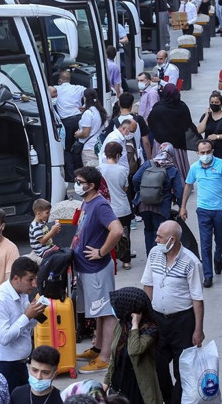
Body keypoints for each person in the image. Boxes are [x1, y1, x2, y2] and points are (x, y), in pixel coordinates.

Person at [141, 220, 205, 404]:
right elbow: (148, 286)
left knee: (182, 370)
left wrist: (198, 329)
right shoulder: (154, 254)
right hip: (158, 320)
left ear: (173, 240)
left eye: (160, 237)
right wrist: (146, 318)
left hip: (183, 322)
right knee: (159, 366)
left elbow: (197, 299)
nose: (156, 240)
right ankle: (168, 399)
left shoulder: (191, 262)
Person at [71, 166, 124, 374]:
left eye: (80, 181)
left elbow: (117, 230)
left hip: (96, 269)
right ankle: (98, 347)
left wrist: (102, 251)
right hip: (87, 268)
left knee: (106, 311)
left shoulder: (100, 204)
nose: (76, 184)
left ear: (91, 185)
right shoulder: (87, 202)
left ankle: (105, 358)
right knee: (98, 311)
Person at [0, 257, 45, 394]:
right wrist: (27, 316)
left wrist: (36, 313)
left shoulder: (22, 293)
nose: (34, 284)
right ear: (16, 278)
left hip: (20, 365)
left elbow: (27, 326)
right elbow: (4, 337)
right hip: (2, 368)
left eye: (35, 278)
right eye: (30, 279)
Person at [179, 140, 222, 288]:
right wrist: (183, 206)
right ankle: (208, 275)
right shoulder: (194, 168)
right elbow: (188, 185)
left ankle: (218, 257)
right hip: (203, 210)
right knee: (205, 243)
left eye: (207, 152)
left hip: (220, 210)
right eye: (202, 153)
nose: (205, 155)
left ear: (212, 151)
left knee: (221, 239)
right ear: (198, 153)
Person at [103, 287, 162, 404]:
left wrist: (135, 324)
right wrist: (105, 384)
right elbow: (114, 358)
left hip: (137, 386)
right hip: (118, 383)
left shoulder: (150, 329)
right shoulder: (121, 325)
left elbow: (134, 350)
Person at [132, 143, 185, 256]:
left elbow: (135, 179)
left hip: (144, 205)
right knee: (160, 233)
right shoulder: (172, 169)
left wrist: (141, 191)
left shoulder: (149, 163)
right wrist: (181, 206)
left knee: (148, 230)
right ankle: (157, 258)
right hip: (161, 207)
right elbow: (179, 191)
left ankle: (150, 258)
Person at [147, 83, 194, 181]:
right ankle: (181, 183)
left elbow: (151, 123)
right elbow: (188, 124)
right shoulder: (182, 107)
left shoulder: (158, 108)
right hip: (178, 144)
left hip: (161, 144)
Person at [99, 142, 133, 270]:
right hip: (122, 208)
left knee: (106, 235)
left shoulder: (99, 169)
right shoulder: (122, 170)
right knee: (125, 234)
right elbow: (125, 188)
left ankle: (109, 258)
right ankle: (126, 260)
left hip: (106, 209)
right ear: (118, 155)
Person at [49, 70, 87, 181]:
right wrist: (84, 105)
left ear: (60, 80)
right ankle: (81, 172)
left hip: (66, 123)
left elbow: (48, 90)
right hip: (79, 120)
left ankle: (70, 176)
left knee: (67, 149)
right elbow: (88, 92)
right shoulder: (78, 88)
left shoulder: (57, 88)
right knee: (79, 146)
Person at [196, 91, 222, 168]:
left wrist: (217, 136)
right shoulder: (206, 116)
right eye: (212, 102)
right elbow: (199, 130)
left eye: (216, 102)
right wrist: (207, 116)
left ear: (221, 103)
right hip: (208, 151)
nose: (214, 104)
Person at [74, 89, 108, 168]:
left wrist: (77, 134)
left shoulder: (88, 113)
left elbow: (86, 133)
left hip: (88, 149)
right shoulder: (99, 111)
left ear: (85, 98)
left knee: (89, 174)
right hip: (97, 146)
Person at [28, 198, 60, 263]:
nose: (49, 214)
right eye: (47, 213)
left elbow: (48, 236)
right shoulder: (35, 226)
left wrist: (55, 231)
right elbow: (42, 240)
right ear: (38, 214)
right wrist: (52, 231)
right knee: (60, 256)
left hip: (47, 247)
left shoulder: (42, 222)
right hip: (41, 251)